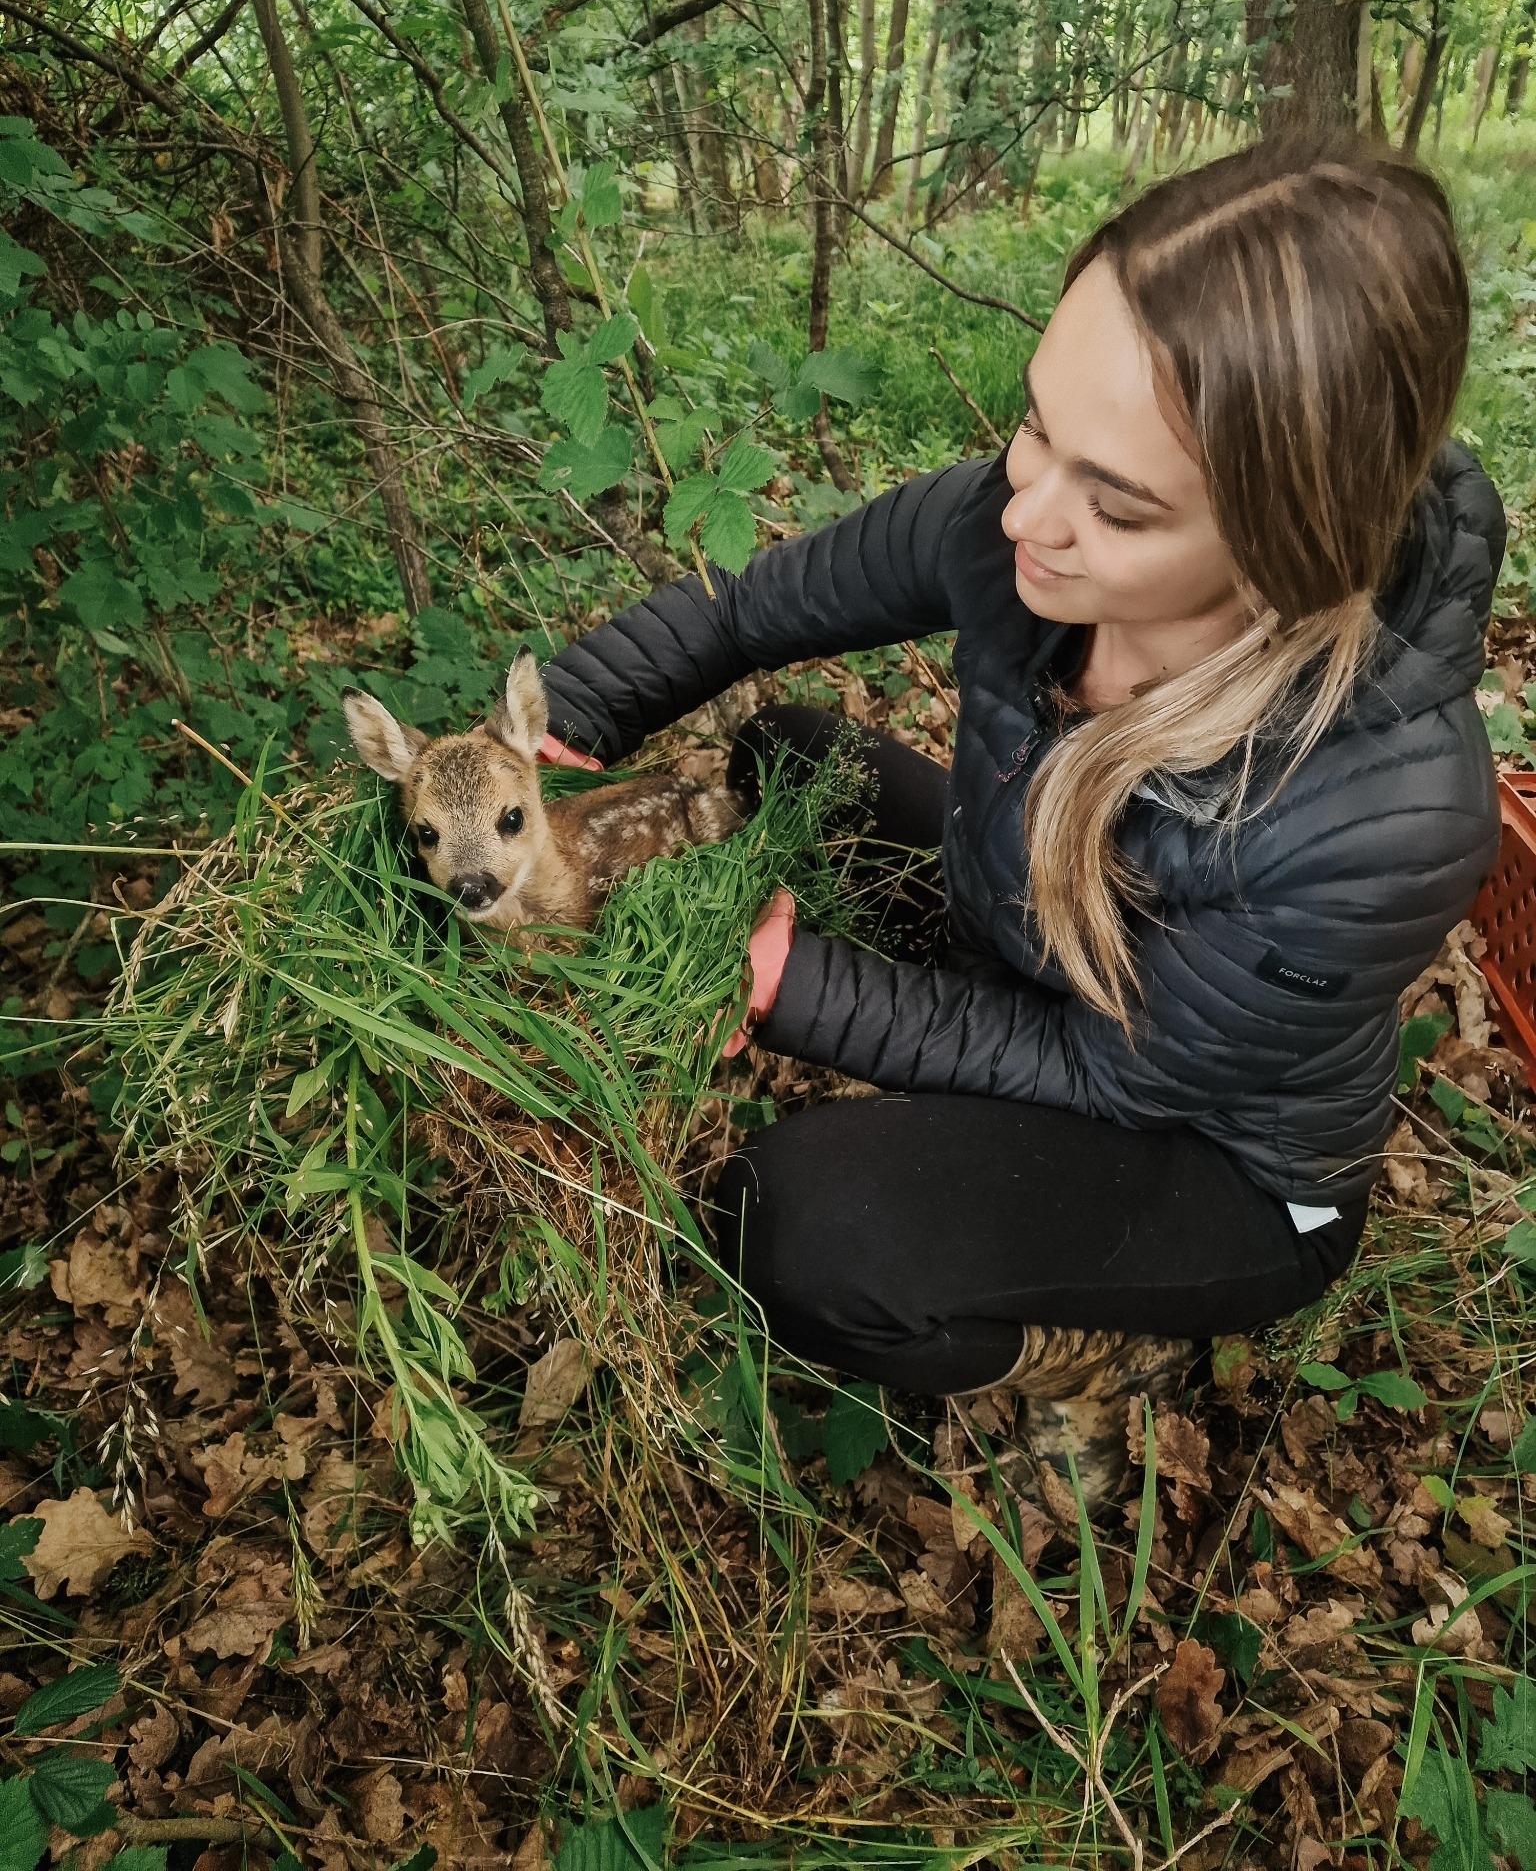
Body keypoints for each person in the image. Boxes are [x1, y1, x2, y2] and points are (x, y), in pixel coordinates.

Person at [534, 138, 1504, 1495]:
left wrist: (797, 984)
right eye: (1038, 422)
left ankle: (1102, 1355)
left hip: (1215, 1150)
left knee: (801, 1231)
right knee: (784, 756)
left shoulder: (1383, 812)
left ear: (1292, 537)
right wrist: (570, 716)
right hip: (1043, 937)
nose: (1026, 513)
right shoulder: (1022, 519)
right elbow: (755, 612)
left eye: (1117, 505)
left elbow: (1122, 1072)